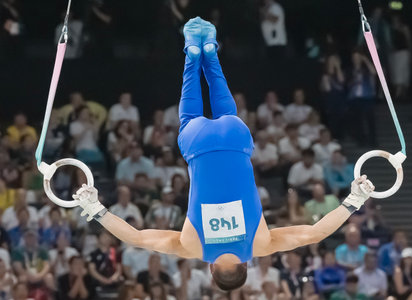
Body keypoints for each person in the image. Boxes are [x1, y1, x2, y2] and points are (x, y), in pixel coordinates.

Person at [71, 17, 375, 292]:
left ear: (246, 265)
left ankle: (211, 54)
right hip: (199, 146)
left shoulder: (260, 244)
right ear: (212, 268)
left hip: (235, 141)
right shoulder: (194, 248)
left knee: (227, 111)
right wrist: (95, 208)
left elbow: (314, 233)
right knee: (190, 118)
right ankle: (192, 58)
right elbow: (135, 238)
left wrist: (355, 201)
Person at [347, 49, 377, 147]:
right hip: (354, 98)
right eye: (354, 57)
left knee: (370, 119)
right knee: (357, 120)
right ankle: (361, 140)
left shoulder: (366, 69)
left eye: (358, 57)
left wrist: (366, 60)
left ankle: (373, 140)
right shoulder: (350, 70)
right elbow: (346, 83)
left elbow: (374, 72)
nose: (356, 59)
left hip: (367, 97)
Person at [320, 55, 346, 139]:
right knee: (332, 120)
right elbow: (327, 89)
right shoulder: (325, 76)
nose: (333, 63)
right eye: (331, 61)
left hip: (340, 99)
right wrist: (329, 74)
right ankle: (334, 137)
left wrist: (338, 67)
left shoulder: (340, 72)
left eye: (334, 61)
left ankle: (340, 136)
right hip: (330, 100)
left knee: (341, 119)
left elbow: (342, 81)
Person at [389, 14, 412, 100]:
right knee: (395, 73)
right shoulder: (390, 29)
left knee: (403, 73)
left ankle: (400, 94)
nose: (395, 20)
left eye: (396, 18)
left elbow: (409, 40)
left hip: (403, 52)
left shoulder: (404, 28)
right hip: (393, 54)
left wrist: (411, 52)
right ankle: (398, 93)